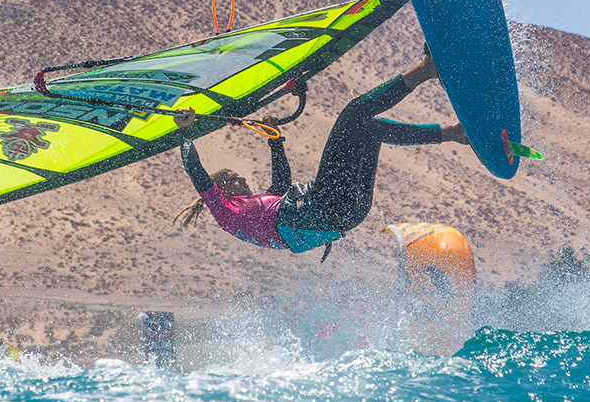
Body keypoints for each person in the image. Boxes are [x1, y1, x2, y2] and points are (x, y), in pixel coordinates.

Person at [173, 48, 466, 257]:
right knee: (354, 112)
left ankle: (454, 133)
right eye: (235, 179)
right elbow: (196, 173)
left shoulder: (251, 212)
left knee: (371, 129)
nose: (243, 181)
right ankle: (427, 71)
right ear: (221, 188)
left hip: (350, 213)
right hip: (326, 203)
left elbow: (280, 188)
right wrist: (185, 132)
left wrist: (275, 143)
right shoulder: (225, 212)